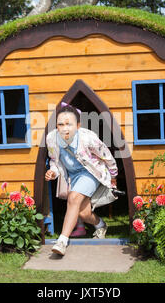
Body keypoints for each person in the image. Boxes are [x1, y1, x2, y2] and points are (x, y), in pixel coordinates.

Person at [45, 102, 118, 256]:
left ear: (77, 125)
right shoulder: (52, 139)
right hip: (73, 176)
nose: (65, 128)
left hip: (90, 172)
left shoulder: (88, 138)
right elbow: (55, 162)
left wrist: (114, 176)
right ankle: (101, 225)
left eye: (69, 124)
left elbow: (107, 156)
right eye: (60, 124)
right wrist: (52, 172)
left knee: (73, 197)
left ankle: (62, 241)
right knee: (83, 213)